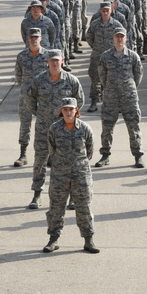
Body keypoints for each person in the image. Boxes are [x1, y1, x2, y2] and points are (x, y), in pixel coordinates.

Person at [27, 50, 85, 209]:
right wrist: (39, 114)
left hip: (65, 129)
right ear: (47, 61)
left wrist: (68, 118)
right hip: (43, 128)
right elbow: (30, 99)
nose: (54, 63)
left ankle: (72, 197)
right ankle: (37, 194)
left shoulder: (71, 81)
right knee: (40, 160)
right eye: (51, 60)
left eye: (57, 60)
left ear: (62, 61)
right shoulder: (39, 80)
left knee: (68, 162)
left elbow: (79, 101)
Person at [42, 98, 101, 254]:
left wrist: (77, 165)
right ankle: (53, 239)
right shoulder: (54, 129)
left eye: (71, 109)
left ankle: (89, 240)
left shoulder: (85, 129)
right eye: (65, 109)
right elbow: (51, 149)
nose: (68, 112)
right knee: (56, 207)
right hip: (59, 175)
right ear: (61, 111)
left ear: (76, 111)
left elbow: (89, 151)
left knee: (84, 207)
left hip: (81, 175)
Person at [95, 27, 144, 168]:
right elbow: (102, 75)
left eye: (122, 36)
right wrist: (110, 87)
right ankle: (105, 155)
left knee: (133, 126)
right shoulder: (106, 56)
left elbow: (138, 75)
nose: (120, 39)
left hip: (129, 97)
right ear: (113, 38)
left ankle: (138, 155)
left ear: (126, 38)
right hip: (111, 97)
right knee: (107, 127)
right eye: (117, 36)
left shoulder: (133, 56)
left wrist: (129, 87)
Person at [13, 28, 48, 168]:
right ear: (28, 39)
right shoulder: (22, 56)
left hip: (43, 96)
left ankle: (49, 154)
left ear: (40, 38)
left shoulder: (47, 55)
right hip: (26, 96)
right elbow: (18, 75)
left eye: (36, 37)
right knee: (25, 124)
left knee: (45, 125)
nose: (34, 40)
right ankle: (23, 154)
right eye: (31, 37)